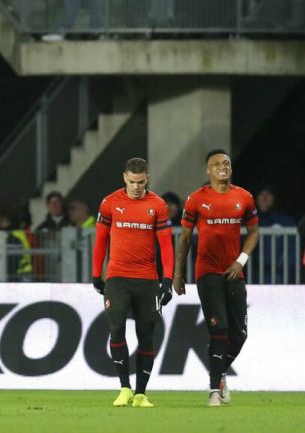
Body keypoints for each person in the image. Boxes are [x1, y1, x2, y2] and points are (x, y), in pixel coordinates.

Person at [174, 148, 259, 407]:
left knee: (240, 334)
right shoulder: (196, 199)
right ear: (208, 170)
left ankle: (219, 373)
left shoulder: (244, 197)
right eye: (216, 163)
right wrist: (178, 274)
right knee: (219, 328)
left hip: (234, 272)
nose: (223, 166)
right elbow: (185, 237)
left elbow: (254, 232)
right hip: (207, 272)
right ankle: (214, 390)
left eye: (226, 162)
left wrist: (240, 260)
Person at [92, 157, 174, 408]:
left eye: (140, 182)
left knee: (146, 336)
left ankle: (140, 393)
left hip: (147, 279)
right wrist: (97, 274)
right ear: (124, 178)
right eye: (131, 182)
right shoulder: (110, 203)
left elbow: (166, 246)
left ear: (147, 177)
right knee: (116, 329)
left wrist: (168, 279)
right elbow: (100, 241)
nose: (136, 187)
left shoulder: (158, 205)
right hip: (117, 277)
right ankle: (124, 388)